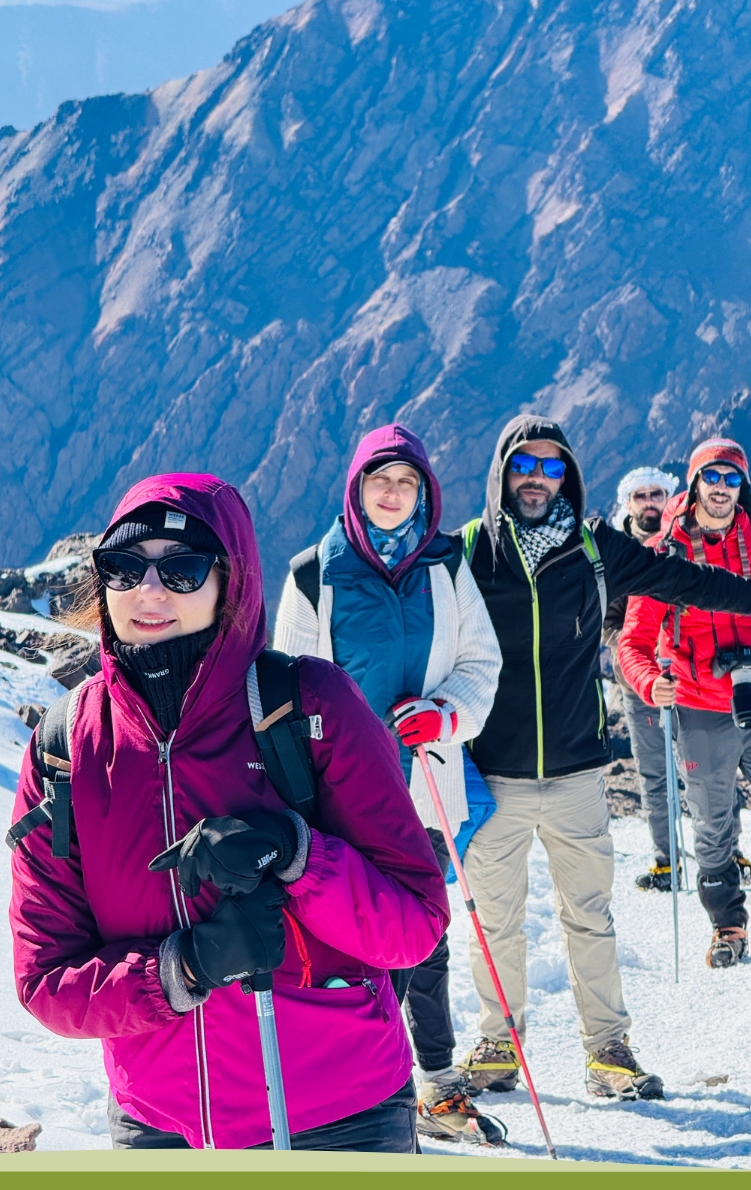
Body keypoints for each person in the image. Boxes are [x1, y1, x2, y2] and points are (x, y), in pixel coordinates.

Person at [9, 475, 449, 1150]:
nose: (149, 591)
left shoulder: (306, 705)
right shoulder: (68, 747)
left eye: (181, 570)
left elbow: (414, 922)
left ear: (230, 580)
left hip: (341, 1120)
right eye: (125, 567)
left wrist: (296, 852)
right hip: (159, 1129)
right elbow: (46, 979)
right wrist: (185, 967)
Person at [456, 416, 751, 1099]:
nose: (537, 479)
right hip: (492, 771)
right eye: (524, 466)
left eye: (552, 467)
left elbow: (697, 584)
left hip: (575, 769)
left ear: (568, 475)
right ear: (502, 473)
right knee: (495, 919)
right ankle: (496, 1047)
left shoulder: (596, 549)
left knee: (588, 916)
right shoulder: (468, 553)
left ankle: (607, 1051)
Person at [273, 424, 504, 1145]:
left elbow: (480, 666)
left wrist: (444, 715)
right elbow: (284, 690)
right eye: (380, 480)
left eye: (406, 482)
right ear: (356, 489)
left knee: (423, 934)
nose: (393, 493)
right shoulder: (315, 572)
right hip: (341, 793)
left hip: (426, 787)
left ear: (426, 493)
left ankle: (432, 1083)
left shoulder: (447, 566)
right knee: (346, 939)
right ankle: (356, 1083)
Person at [619, 437, 751, 968]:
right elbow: (633, 642)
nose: (721, 489)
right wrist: (648, 683)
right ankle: (727, 925)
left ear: (742, 486)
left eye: (731, 480)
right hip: (696, 704)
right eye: (712, 477)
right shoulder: (664, 555)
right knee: (713, 824)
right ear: (694, 483)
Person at [602, 467, 751, 894]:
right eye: (640, 496)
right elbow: (608, 621)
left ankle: (729, 852)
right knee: (656, 772)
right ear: (627, 504)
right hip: (642, 683)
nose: (650, 502)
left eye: (657, 494)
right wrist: (640, 655)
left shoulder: (683, 545)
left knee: (718, 766)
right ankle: (667, 861)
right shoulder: (616, 556)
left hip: (698, 676)